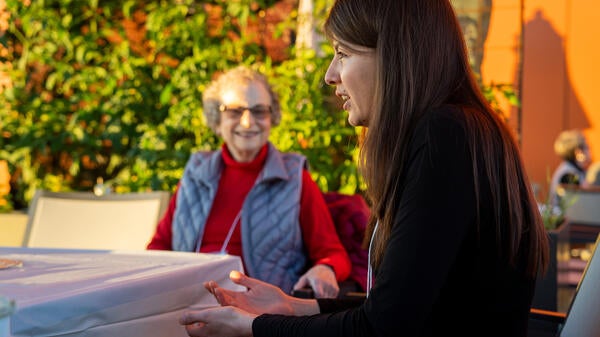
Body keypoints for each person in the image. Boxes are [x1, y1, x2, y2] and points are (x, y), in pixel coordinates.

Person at [178, 1, 550, 336]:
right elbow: (395, 308)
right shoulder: (463, 130)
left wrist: (255, 328)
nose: (330, 75)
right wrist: (293, 306)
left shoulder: (445, 135)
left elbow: (379, 329)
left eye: (342, 53)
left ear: (394, 56)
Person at [147, 65, 351, 298]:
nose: (247, 122)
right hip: (188, 303)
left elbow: (333, 254)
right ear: (217, 118)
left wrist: (326, 269)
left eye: (259, 111)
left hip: (258, 315)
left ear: (271, 117)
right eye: (234, 111)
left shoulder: (294, 177)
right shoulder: (195, 173)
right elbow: (157, 249)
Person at [549, 129, 592, 207]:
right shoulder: (568, 174)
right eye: (587, 147)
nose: (590, 151)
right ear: (578, 152)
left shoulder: (576, 171)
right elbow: (575, 208)